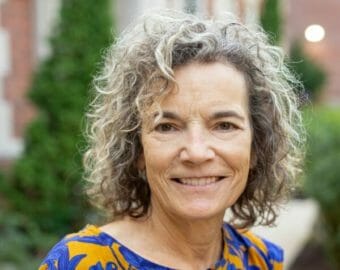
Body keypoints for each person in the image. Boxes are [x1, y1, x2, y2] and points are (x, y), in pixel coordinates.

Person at [39, 9, 304, 270]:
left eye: (224, 125)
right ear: (137, 151)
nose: (197, 152)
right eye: (167, 127)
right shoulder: (78, 263)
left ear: (256, 146)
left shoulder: (260, 260)